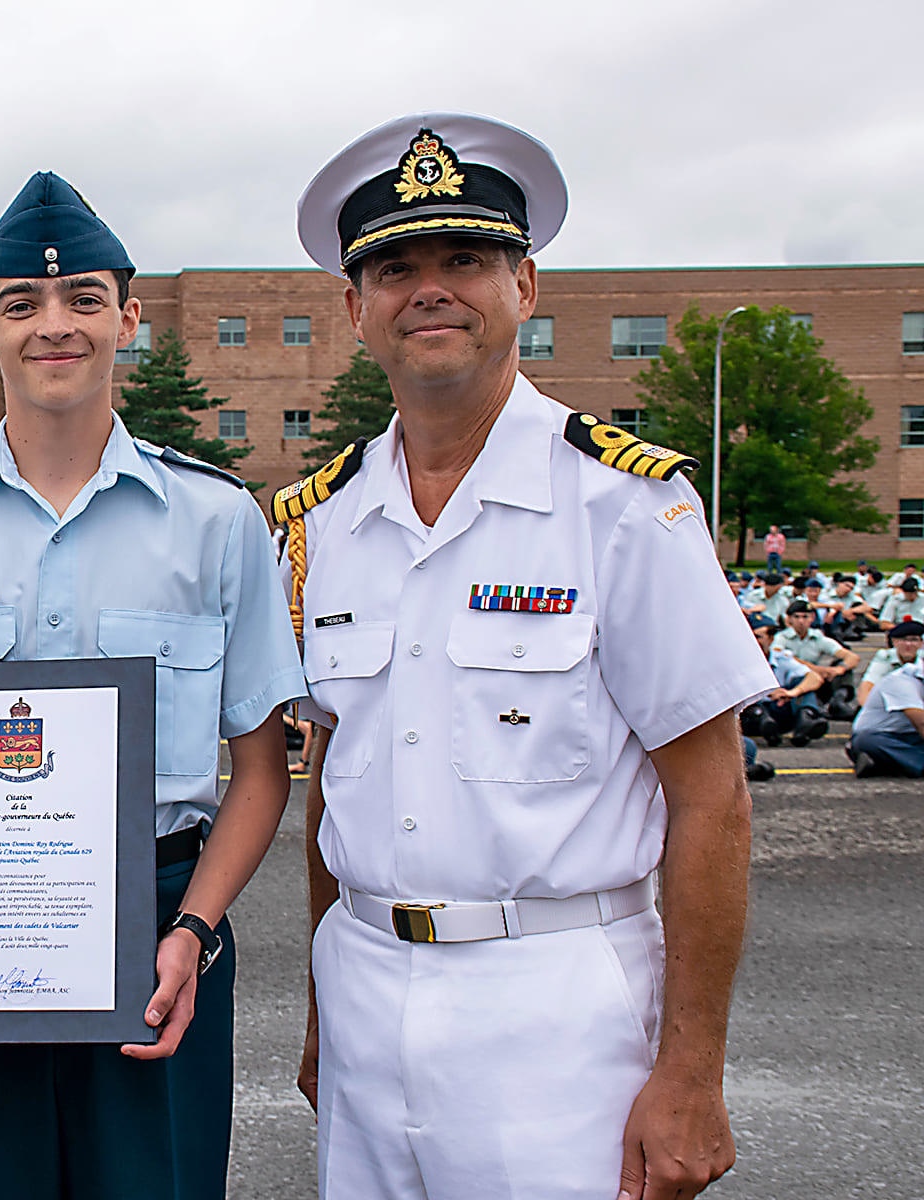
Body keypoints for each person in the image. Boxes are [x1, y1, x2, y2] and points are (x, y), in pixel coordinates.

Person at [284, 114, 772, 1200]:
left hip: (556, 1009)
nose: (431, 290)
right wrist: (323, 1011)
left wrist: (692, 1071)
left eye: (465, 259)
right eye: (396, 268)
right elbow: (332, 789)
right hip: (364, 987)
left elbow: (713, 801)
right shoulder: (324, 523)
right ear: (354, 308)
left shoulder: (623, 505)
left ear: (526, 288)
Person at [0, 172, 303, 1200]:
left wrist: (194, 933)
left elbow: (260, 769)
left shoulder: (217, 521)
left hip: (159, 924)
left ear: (128, 317)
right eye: (21, 305)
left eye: (83, 298)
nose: (54, 325)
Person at [741, 618, 828, 747]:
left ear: (771, 639)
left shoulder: (781, 658)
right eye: (751, 637)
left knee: (801, 683)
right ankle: (768, 727)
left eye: (759, 637)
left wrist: (791, 693)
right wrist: (768, 692)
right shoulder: (741, 662)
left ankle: (804, 723)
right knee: (751, 701)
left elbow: (814, 677)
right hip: (754, 715)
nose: (755, 641)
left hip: (779, 709)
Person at [774, 599, 859, 719]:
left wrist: (839, 669)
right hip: (792, 681)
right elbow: (783, 659)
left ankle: (838, 703)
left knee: (843, 668)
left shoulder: (817, 637)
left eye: (805, 617)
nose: (801, 621)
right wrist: (817, 669)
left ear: (812, 618)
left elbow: (852, 657)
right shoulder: (781, 638)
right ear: (789, 619)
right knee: (805, 676)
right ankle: (812, 710)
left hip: (817, 679)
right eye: (796, 617)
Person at [847, 660, 924, 777]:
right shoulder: (900, 681)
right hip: (882, 736)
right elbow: (921, 723)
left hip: (910, 736)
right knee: (867, 740)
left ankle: (880, 765)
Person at [856, 619, 924, 706]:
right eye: (903, 640)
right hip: (888, 704)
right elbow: (867, 686)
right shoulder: (885, 656)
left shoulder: (922, 658)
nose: (908, 644)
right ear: (894, 642)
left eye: (914, 640)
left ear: (921, 643)